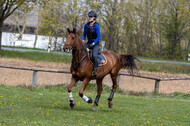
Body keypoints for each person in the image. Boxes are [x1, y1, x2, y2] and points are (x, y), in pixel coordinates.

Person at [82, 11, 101, 78]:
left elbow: (99, 37)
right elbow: (84, 34)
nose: (89, 18)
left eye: (91, 17)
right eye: (89, 16)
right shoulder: (86, 25)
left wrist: (93, 44)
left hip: (95, 44)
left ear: (94, 18)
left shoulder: (96, 26)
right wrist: (83, 40)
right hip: (88, 43)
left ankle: (95, 71)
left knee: (94, 56)